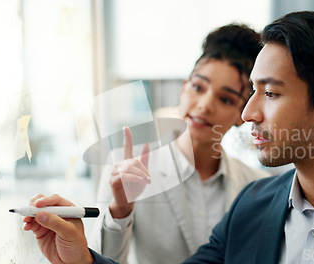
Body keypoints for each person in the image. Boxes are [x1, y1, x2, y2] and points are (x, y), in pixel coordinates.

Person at [25, 11, 314, 264]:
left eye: (270, 94)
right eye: (252, 91)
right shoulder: (253, 207)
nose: (247, 113)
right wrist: (81, 259)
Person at [87, 23, 267, 264]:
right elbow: (103, 260)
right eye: (197, 87)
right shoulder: (125, 168)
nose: (204, 104)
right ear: (183, 90)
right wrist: (120, 208)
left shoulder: (257, 187)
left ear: (241, 114)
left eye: (225, 98)